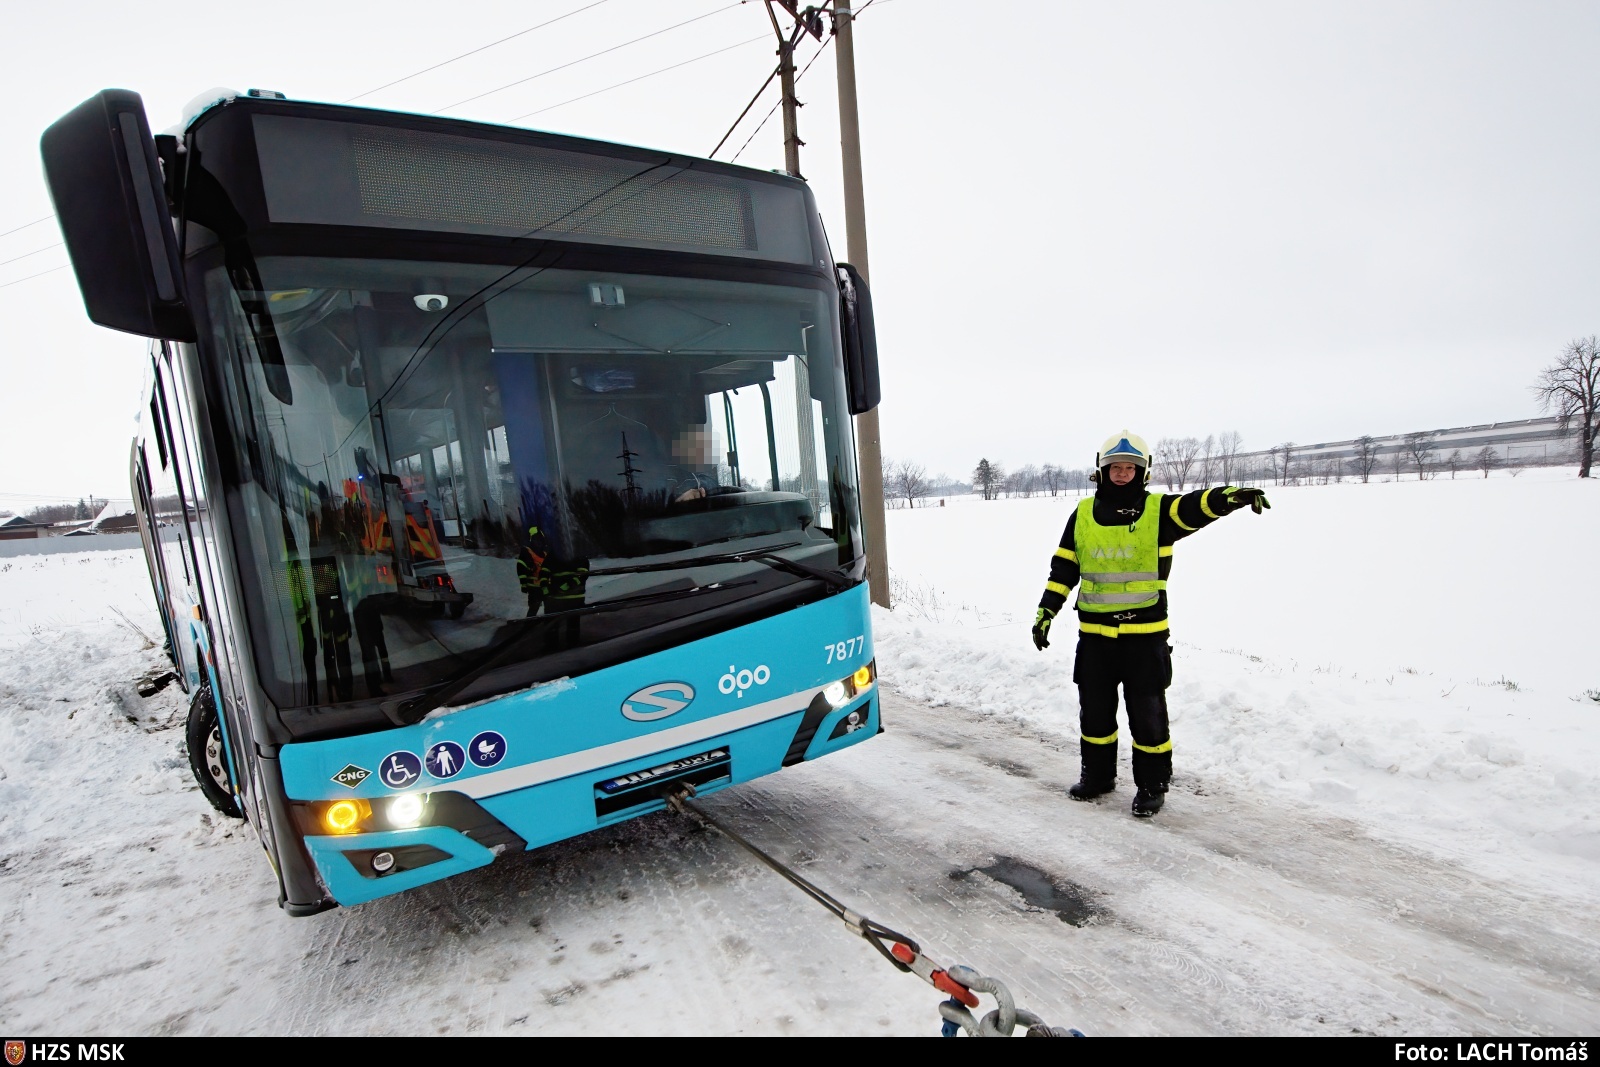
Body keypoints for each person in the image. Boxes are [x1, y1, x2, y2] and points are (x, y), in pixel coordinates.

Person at [1031, 431, 1270, 817]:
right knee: (1094, 715)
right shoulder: (1083, 514)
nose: (1122, 473)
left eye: (1130, 468)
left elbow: (1194, 507)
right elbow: (1064, 568)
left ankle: (1152, 786)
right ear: (1102, 469)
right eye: (1115, 467)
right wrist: (1046, 610)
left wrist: (1228, 498)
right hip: (1094, 639)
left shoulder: (1158, 512)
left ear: (1143, 472)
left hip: (1145, 639)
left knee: (1148, 718)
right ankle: (1097, 776)